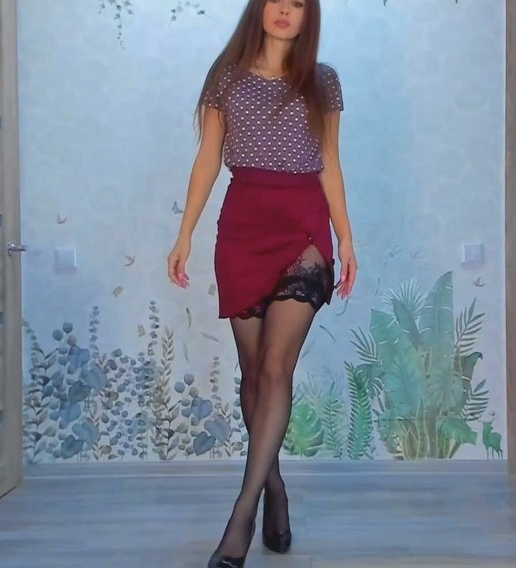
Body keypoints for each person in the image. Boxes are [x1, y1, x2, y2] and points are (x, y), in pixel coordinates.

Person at [166, 0, 356, 565]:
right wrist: (184, 235)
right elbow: (208, 158)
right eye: (277, 0)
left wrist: (346, 239)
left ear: (308, 17)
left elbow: (329, 162)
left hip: (304, 232)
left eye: (298, 4)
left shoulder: (323, 81)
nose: (285, 10)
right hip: (243, 229)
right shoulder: (225, 77)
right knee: (252, 374)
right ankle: (274, 490)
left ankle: (241, 516)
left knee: (275, 368)